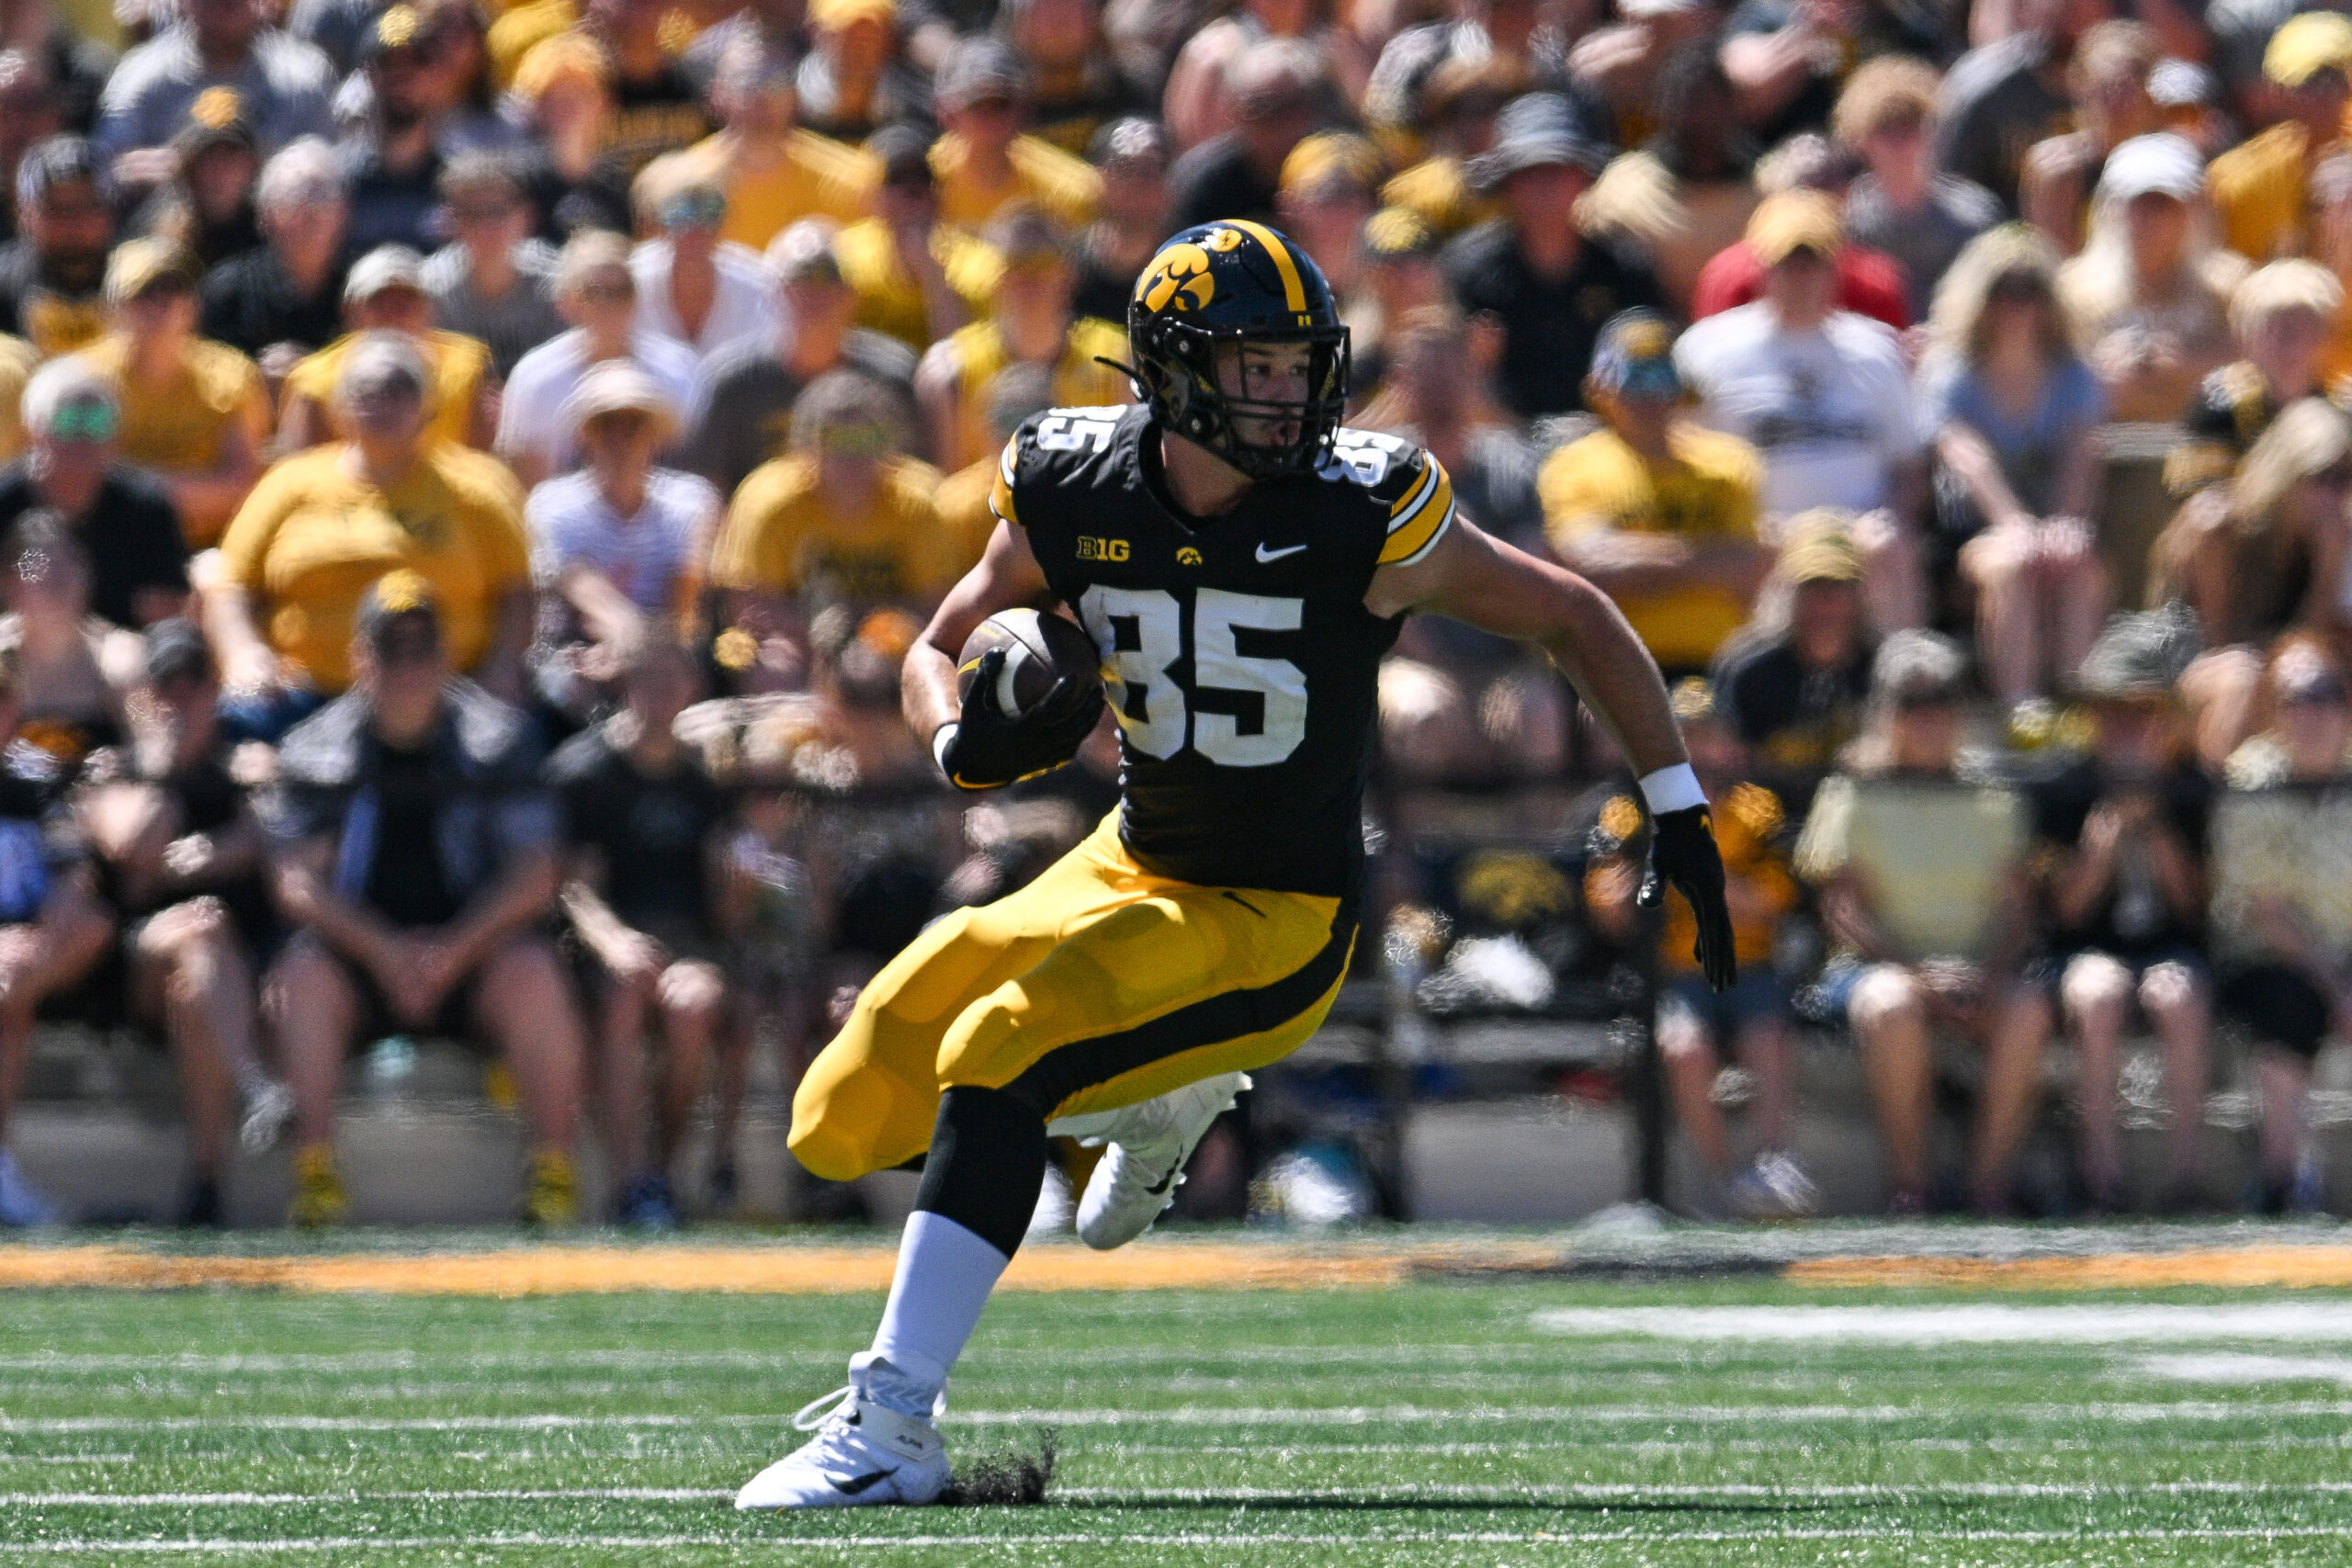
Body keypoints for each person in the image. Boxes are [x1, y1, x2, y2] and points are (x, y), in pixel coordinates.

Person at [731, 219, 1733, 1509]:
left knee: (1002, 1045)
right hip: (1131, 863)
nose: (1288, 392)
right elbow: (941, 638)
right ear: (1171, 370)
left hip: (1279, 916)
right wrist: (959, 735)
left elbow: (1572, 611)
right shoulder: (1070, 475)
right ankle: (1152, 1091)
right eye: (1254, 366)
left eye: (1298, 362)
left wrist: (1677, 801)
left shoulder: (1360, 505)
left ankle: (894, 1424)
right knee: (840, 1115)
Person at [258, 570, 584, 1227]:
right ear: (359, 658)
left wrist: (452, 952)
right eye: (389, 649)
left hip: (474, 956)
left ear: (446, 654)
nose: (407, 665)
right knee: (300, 977)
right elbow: (294, 882)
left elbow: (536, 873)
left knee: (535, 972)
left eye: (422, 648)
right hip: (360, 960)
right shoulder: (310, 747)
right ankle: (315, 1178)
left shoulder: (502, 739)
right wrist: (385, 952)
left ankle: (552, 1176)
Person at [1793, 630, 2049, 1215]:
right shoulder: (1852, 790)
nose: (1927, 716)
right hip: (1877, 968)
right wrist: (1919, 972)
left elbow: (2017, 911)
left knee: (2030, 1005)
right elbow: (1841, 911)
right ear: (1884, 712)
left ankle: (1988, 1185)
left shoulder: (1992, 793)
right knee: (1891, 1005)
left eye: (1940, 701)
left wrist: (1986, 974)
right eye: (1910, 703)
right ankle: (1911, 1185)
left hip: (1980, 969)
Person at [76, 617, 290, 1227]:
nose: (178, 698)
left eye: (193, 683)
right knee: (200, 924)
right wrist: (164, 767)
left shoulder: (242, 771)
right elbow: (134, 848)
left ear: (212, 690)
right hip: (130, 965)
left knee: (203, 954)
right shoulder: (114, 766)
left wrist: (240, 835)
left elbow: (290, 856)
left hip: (225, 975)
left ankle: (206, 1183)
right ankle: (251, 1083)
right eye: (164, 684)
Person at [210, 333, 532, 737]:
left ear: (428, 405)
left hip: (447, 693)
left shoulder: (478, 487)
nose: (382, 401)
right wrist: (243, 654)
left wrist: (502, 669)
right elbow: (229, 585)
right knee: (228, 732)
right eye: (366, 390)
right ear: (339, 408)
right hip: (304, 691)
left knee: (514, 740)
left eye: (400, 389)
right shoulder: (288, 483)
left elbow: (518, 592)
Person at [1588, 682, 1810, 1217]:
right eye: (1684, 739)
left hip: (1748, 965)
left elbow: (1776, 899)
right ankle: (1727, 1183)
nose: (1698, 753)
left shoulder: (1760, 811)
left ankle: (1773, 1167)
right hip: (1671, 973)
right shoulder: (1627, 813)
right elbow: (1607, 906)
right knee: (1684, 1048)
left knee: (1768, 1035)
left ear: (1733, 748)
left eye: (1709, 738)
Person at [1674, 190, 1927, 628]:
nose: (1800, 276)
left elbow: (1908, 465)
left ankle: (1898, 677)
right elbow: (1680, 451)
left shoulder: (1875, 349)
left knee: (1892, 548)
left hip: (1857, 533)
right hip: (1759, 532)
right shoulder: (1707, 351)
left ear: (1836, 268)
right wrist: (1740, 522)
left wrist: (1892, 517)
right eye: (1787, 263)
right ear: (1761, 267)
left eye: (1813, 262)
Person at [2032, 608, 2213, 1213]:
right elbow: (2068, 908)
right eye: (2113, 709)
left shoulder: (2191, 786)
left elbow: (2193, 906)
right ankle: (2100, 1178)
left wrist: (2156, 829)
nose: (2127, 726)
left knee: (2178, 993)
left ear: (2164, 718)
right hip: (2086, 948)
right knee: (2098, 993)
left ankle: (2185, 1177)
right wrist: (2106, 836)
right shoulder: (2064, 784)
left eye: (2142, 710)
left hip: (2170, 946)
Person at [553, 637, 737, 1227]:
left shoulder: (706, 779)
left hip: (688, 943)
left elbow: (721, 906)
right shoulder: (585, 770)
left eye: (672, 679)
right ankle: (628, 1178)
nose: (659, 693)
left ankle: (662, 1173)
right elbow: (574, 886)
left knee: (693, 1004)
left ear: (692, 689)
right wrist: (615, 943)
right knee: (628, 995)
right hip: (606, 945)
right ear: (623, 684)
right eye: (646, 678)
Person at [1919, 225, 2109, 711]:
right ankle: (2022, 711)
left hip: (2045, 530)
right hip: (1966, 539)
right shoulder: (1952, 373)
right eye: (2003, 291)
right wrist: (2015, 525)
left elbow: (2079, 453)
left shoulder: (2073, 375)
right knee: (2012, 565)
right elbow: (1965, 455)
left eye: (2031, 292)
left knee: (2080, 566)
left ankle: (2076, 708)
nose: (2017, 306)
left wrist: (2066, 524)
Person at [1539, 309, 1770, 679]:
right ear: (1602, 387)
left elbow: (1748, 567)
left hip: (1717, 665)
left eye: (1662, 377)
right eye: (1635, 378)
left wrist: (1642, 564)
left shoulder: (1730, 463)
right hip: (1610, 665)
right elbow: (1589, 568)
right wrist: (1702, 559)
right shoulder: (1572, 465)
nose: (1651, 396)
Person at [2210, 635, 2352, 1212]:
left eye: (2328, 696)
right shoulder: (2250, 782)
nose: (2313, 712)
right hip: (2277, 956)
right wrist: (2339, 991)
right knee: (2286, 1005)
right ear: (2276, 709)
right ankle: (2284, 1181)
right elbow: (2267, 913)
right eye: (2298, 698)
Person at [709, 368, 955, 682]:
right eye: (834, 438)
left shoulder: (918, 500)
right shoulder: (769, 502)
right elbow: (748, 607)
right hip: (799, 645)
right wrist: (823, 632)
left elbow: (938, 604)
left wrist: (867, 630)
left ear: (890, 443)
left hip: (890, 646)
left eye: (867, 438)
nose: (851, 454)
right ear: (804, 444)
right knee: (773, 665)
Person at [1442, 94, 1664, 420]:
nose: (1545, 187)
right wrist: (1474, 367)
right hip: (1499, 442)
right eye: (1529, 173)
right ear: (1507, 184)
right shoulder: (1467, 271)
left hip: (1605, 443)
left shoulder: (1624, 268)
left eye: (1558, 171)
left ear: (1583, 179)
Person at [526, 361, 718, 709]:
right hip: (582, 652)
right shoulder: (552, 505)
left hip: (669, 651)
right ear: (585, 436)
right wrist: (624, 649)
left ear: (655, 437)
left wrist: (635, 658)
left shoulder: (690, 502)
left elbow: (684, 605)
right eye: (605, 425)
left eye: (634, 426)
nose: (619, 439)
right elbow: (581, 590)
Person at [0, 642, 112, 1227]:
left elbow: (75, 872)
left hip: (26, 947)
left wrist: (38, 937)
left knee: (16, 983)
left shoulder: (36, 779)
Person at [685, 221, 920, 498]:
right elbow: (707, 489)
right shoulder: (733, 382)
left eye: (828, 277)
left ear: (852, 295)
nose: (813, 293)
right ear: (773, 293)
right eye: (799, 279)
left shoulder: (891, 376)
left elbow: (915, 479)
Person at [74, 236, 268, 548]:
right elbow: (79, 479)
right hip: (105, 544)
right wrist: (188, 490)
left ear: (192, 305)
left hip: (207, 547)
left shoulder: (230, 377)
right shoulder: (84, 380)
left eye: (174, 289)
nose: (162, 303)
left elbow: (241, 487)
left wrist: (135, 489)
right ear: (114, 306)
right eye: (145, 292)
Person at [913, 206, 1131, 472]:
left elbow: (1127, 469)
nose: (1029, 279)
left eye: (1041, 263)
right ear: (993, 274)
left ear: (1068, 274)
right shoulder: (951, 368)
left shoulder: (1115, 357)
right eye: (1015, 264)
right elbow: (947, 490)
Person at [2058, 131, 2243, 424]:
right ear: (2112, 210)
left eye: (2163, 205)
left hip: (2207, 449)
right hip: (2103, 451)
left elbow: (2266, 364)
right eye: (2137, 205)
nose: (2148, 220)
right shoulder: (2070, 292)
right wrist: (2096, 375)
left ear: (2192, 211)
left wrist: (2192, 364)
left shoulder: (2232, 289)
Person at [498, 229, 697, 489]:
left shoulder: (678, 369)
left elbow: (691, 477)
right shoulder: (536, 378)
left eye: (621, 290)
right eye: (595, 292)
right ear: (566, 302)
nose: (609, 303)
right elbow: (528, 488)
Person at [0, 358, 189, 630]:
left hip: (119, 657)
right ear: (35, 430)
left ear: (116, 435)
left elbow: (164, 617)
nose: (83, 436)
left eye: (97, 422)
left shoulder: (147, 508)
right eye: (68, 421)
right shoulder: (5, 502)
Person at [1711, 515, 1878, 812]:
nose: (1825, 604)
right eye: (1812, 587)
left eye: (1837, 587)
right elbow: (1725, 764)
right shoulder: (1748, 668)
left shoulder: (1884, 665)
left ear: (1859, 595)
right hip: (1765, 830)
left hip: (1864, 828)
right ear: (1789, 595)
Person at [660, 35, 877, 256]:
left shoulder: (853, 180)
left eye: (776, 80)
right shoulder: (681, 184)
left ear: (794, 93)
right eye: (746, 80)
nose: (761, 96)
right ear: (717, 93)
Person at [276, 244, 495, 452]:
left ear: (429, 309)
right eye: (379, 302)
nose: (394, 314)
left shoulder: (468, 366)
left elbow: (486, 460)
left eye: (406, 302)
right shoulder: (314, 380)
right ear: (350, 311)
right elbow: (301, 468)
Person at [1833, 56, 2000, 320]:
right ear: (1859, 140)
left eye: (1911, 125)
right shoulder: (1845, 219)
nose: (1901, 142)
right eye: (1885, 128)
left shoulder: (1975, 216)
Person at [2166, 260, 2344, 499]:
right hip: (2247, 529)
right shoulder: (2221, 405)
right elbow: (2192, 495)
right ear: (2246, 340)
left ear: (2325, 337)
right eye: (2275, 326)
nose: (2291, 341)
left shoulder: (2341, 410)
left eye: (2305, 325)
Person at [93, 0, 335, 170]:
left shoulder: (303, 77)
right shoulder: (140, 76)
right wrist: (167, 170)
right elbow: (105, 165)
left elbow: (332, 167)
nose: (223, 3)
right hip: (168, 227)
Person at [832, 124, 997, 355]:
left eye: (922, 179)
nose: (911, 192)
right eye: (896, 180)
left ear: (940, 195)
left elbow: (966, 367)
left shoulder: (978, 265)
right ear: (873, 198)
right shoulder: (844, 258)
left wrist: (934, 277)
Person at [2206, 12, 2352, 266]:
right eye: (2310, 80)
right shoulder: (2237, 182)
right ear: (2275, 90)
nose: (2325, 93)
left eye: (2338, 78)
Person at [2015, 20, 2162, 257]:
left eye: (2127, 87)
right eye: (2104, 88)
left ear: (2149, 93)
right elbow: (2056, 265)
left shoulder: (2168, 166)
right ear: (2079, 86)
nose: (2116, 102)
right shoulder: (2058, 170)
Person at [927, 35, 1100, 235]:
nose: (992, 120)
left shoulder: (1072, 190)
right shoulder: (921, 183)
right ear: (947, 114)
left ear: (1024, 109)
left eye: (1002, 104)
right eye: (977, 105)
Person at [198, 135, 348, 361]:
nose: (311, 209)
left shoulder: (359, 291)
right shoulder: (227, 293)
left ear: (343, 213)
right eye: (295, 196)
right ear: (264, 216)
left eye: (322, 194)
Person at [420, 151, 565, 380]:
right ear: (452, 222)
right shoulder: (429, 289)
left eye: (498, 212)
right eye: (472, 215)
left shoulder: (557, 282)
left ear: (527, 217)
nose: (485, 227)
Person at [1164, 38, 1327, 233]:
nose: (1276, 123)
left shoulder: (1335, 174)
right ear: (1234, 114)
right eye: (1258, 109)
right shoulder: (1203, 185)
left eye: (1289, 106)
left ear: (1310, 110)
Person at [628, 173, 779, 362]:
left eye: (710, 215)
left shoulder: (760, 286)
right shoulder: (626, 284)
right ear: (657, 226)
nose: (694, 232)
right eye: (678, 217)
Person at [0, 136, 115, 359]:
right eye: (55, 210)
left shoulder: (138, 281)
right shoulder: (4, 283)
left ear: (109, 212)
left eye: (86, 206)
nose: (73, 224)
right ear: (22, 215)